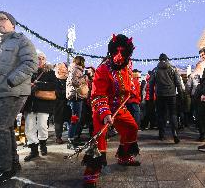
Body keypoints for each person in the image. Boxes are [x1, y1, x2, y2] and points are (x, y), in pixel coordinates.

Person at [0, 11, 37, 187]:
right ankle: (13, 163)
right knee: (5, 127)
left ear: (12, 23)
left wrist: (11, 80)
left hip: (13, 91)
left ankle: (4, 168)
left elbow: (30, 63)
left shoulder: (21, 40)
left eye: (3, 19)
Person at [82, 34, 140, 188]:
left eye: (123, 53)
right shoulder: (102, 69)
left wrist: (131, 90)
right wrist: (105, 113)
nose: (119, 57)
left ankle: (124, 156)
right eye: (116, 52)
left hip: (120, 107)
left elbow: (128, 84)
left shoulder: (128, 65)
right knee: (100, 138)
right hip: (102, 108)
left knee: (131, 127)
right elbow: (98, 94)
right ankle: (91, 173)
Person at [23, 51, 56, 161]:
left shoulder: (49, 72)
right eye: (38, 58)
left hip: (43, 103)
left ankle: (43, 145)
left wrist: (37, 84)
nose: (40, 60)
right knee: (29, 127)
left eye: (42, 58)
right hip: (29, 103)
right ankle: (33, 150)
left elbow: (53, 85)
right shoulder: (28, 71)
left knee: (42, 125)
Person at [149, 53, 184, 143]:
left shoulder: (155, 70)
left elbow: (151, 84)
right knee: (173, 114)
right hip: (171, 95)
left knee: (161, 114)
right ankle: (175, 133)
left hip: (160, 95)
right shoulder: (173, 69)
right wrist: (181, 95)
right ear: (167, 59)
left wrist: (151, 97)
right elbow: (178, 83)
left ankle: (161, 134)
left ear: (159, 60)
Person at [66, 55, 87, 149]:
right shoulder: (76, 70)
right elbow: (74, 82)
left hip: (76, 96)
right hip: (75, 97)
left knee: (76, 119)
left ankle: (73, 139)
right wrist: (84, 79)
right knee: (74, 119)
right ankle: (70, 141)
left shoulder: (75, 69)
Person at [53, 62, 69, 144]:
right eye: (59, 68)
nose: (62, 69)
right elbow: (57, 91)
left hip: (68, 102)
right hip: (58, 103)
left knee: (71, 119)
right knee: (58, 120)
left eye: (63, 68)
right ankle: (58, 137)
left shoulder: (69, 78)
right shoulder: (54, 78)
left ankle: (71, 137)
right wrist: (68, 92)